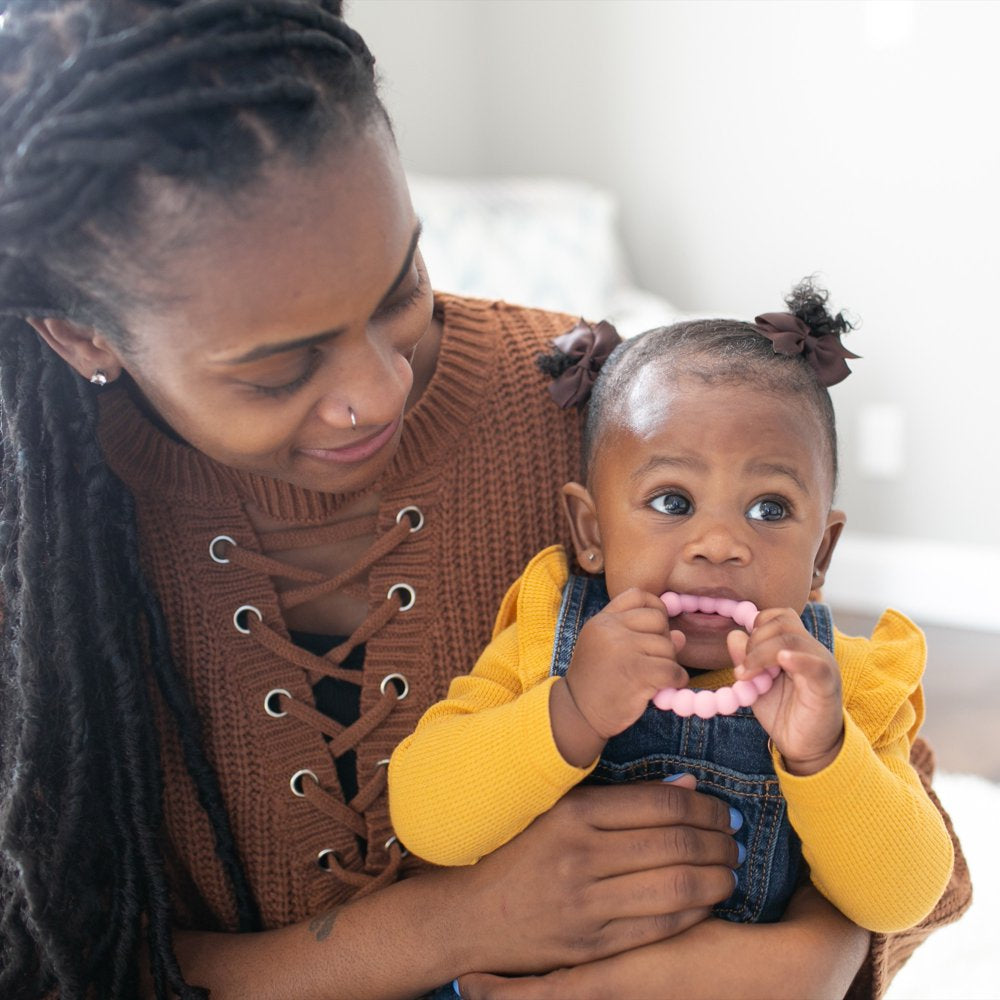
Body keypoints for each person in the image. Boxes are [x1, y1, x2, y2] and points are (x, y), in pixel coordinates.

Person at [0, 3, 968, 999]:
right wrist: (453, 926)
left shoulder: (598, 409)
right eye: (277, 369)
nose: (374, 389)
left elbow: (913, 852)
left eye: (398, 289)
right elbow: (64, 959)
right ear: (82, 338)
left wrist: (806, 958)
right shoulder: (38, 557)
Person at [388, 284, 955, 947]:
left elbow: (903, 900)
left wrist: (823, 753)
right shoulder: (549, 636)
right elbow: (424, 820)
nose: (718, 544)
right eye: (672, 501)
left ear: (820, 554)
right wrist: (571, 712)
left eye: (769, 508)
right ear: (591, 531)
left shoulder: (844, 681)